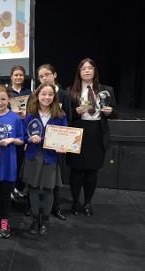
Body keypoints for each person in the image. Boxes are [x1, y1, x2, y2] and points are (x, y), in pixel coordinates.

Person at [66, 58, 117, 217]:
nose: (87, 71)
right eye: (83, 68)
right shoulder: (70, 91)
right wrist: (76, 112)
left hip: (96, 132)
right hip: (78, 132)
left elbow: (115, 113)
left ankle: (87, 203)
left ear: (95, 71)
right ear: (79, 73)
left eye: (90, 68)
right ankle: (75, 202)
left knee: (92, 172)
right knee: (75, 171)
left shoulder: (106, 89)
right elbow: (66, 115)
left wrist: (110, 112)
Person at [22, 83, 67, 235]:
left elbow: (65, 138)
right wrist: (29, 139)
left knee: (49, 189)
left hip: (50, 156)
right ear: (37, 95)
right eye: (43, 94)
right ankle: (35, 220)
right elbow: (23, 136)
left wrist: (63, 146)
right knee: (33, 188)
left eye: (50, 94)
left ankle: (45, 220)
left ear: (54, 97)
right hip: (33, 156)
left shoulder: (60, 116)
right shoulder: (30, 115)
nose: (46, 97)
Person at [0, 85, 24, 238]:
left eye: (3, 99)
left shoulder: (15, 117)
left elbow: (21, 139)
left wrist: (11, 140)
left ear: (8, 100)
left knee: (6, 194)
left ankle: (5, 220)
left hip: (9, 163)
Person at [37, 63, 72, 221]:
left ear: (55, 75)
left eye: (47, 74)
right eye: (41, 76)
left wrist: (63, 140)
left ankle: (54, 207)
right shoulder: (36, 94)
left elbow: (68, 118)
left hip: (55, 146)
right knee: (37, 180)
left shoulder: (64, 95)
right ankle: (37, 208)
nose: (44, 78)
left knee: (54, 180)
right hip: (38, 146)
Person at [7, 66, 32, 205]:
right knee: (11, 162)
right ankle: (9, 191)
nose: (18, 77)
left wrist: (26, 115)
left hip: (24, 132)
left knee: (21, 163)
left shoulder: (29, 93)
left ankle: (20, 190)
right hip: (10, 132)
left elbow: (33, 112)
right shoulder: (6, 92)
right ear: (11, 76)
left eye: (21, 75)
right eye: (16, 75)